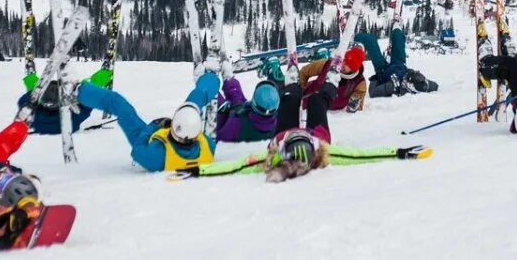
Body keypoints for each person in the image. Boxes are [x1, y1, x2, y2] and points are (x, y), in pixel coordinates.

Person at [172, 72, 428, 182]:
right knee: (317, 101)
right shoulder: (324, 150)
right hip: (320, 135)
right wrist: (401, 152)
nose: (298, 133)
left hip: (278, 134)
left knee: (289, 100)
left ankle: (292, 90)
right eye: (299, 138)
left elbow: (235, 167)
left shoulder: (272, 155)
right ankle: (325, 90)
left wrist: (197, 172)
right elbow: (361, 156)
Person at [77, 77, 217, 172]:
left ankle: (77, 91)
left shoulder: (155, 156)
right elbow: (192, 131)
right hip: (177, 141)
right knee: (194, 103)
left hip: (146, 136)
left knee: (118, 104)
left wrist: (154, 127)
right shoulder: (208, 146)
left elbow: (138, 150)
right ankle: (211, 77)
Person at [353, 28, 438, 98]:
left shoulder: (393, 86)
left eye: (409, 79)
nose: (409, 76)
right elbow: (435, 86)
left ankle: (350, 39)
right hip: (399, 63)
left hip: (383, 70)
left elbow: (373, 92)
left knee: (370, 40)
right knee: (397, 33)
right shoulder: (424, 84)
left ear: (408, 86)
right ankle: (395, 32)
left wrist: (376, 78)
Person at [297, 45, 368, 113]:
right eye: (343, 60)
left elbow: (359, 97)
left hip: (334, 115)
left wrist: (354, 104)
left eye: (347, 65)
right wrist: (300, 88)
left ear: (353, 69)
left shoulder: (359, 81)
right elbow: (304, 71)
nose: (342, 65)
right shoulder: (326, 64)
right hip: (308, 103)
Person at [214, 73, 283, 142]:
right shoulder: (280, 124)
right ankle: (228, 78)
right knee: (235, 96)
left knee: (220, 99)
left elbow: (220, 137)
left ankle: (219, 79)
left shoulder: (236, 124)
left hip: (233, 123)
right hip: (244, 118)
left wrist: (222, 114)